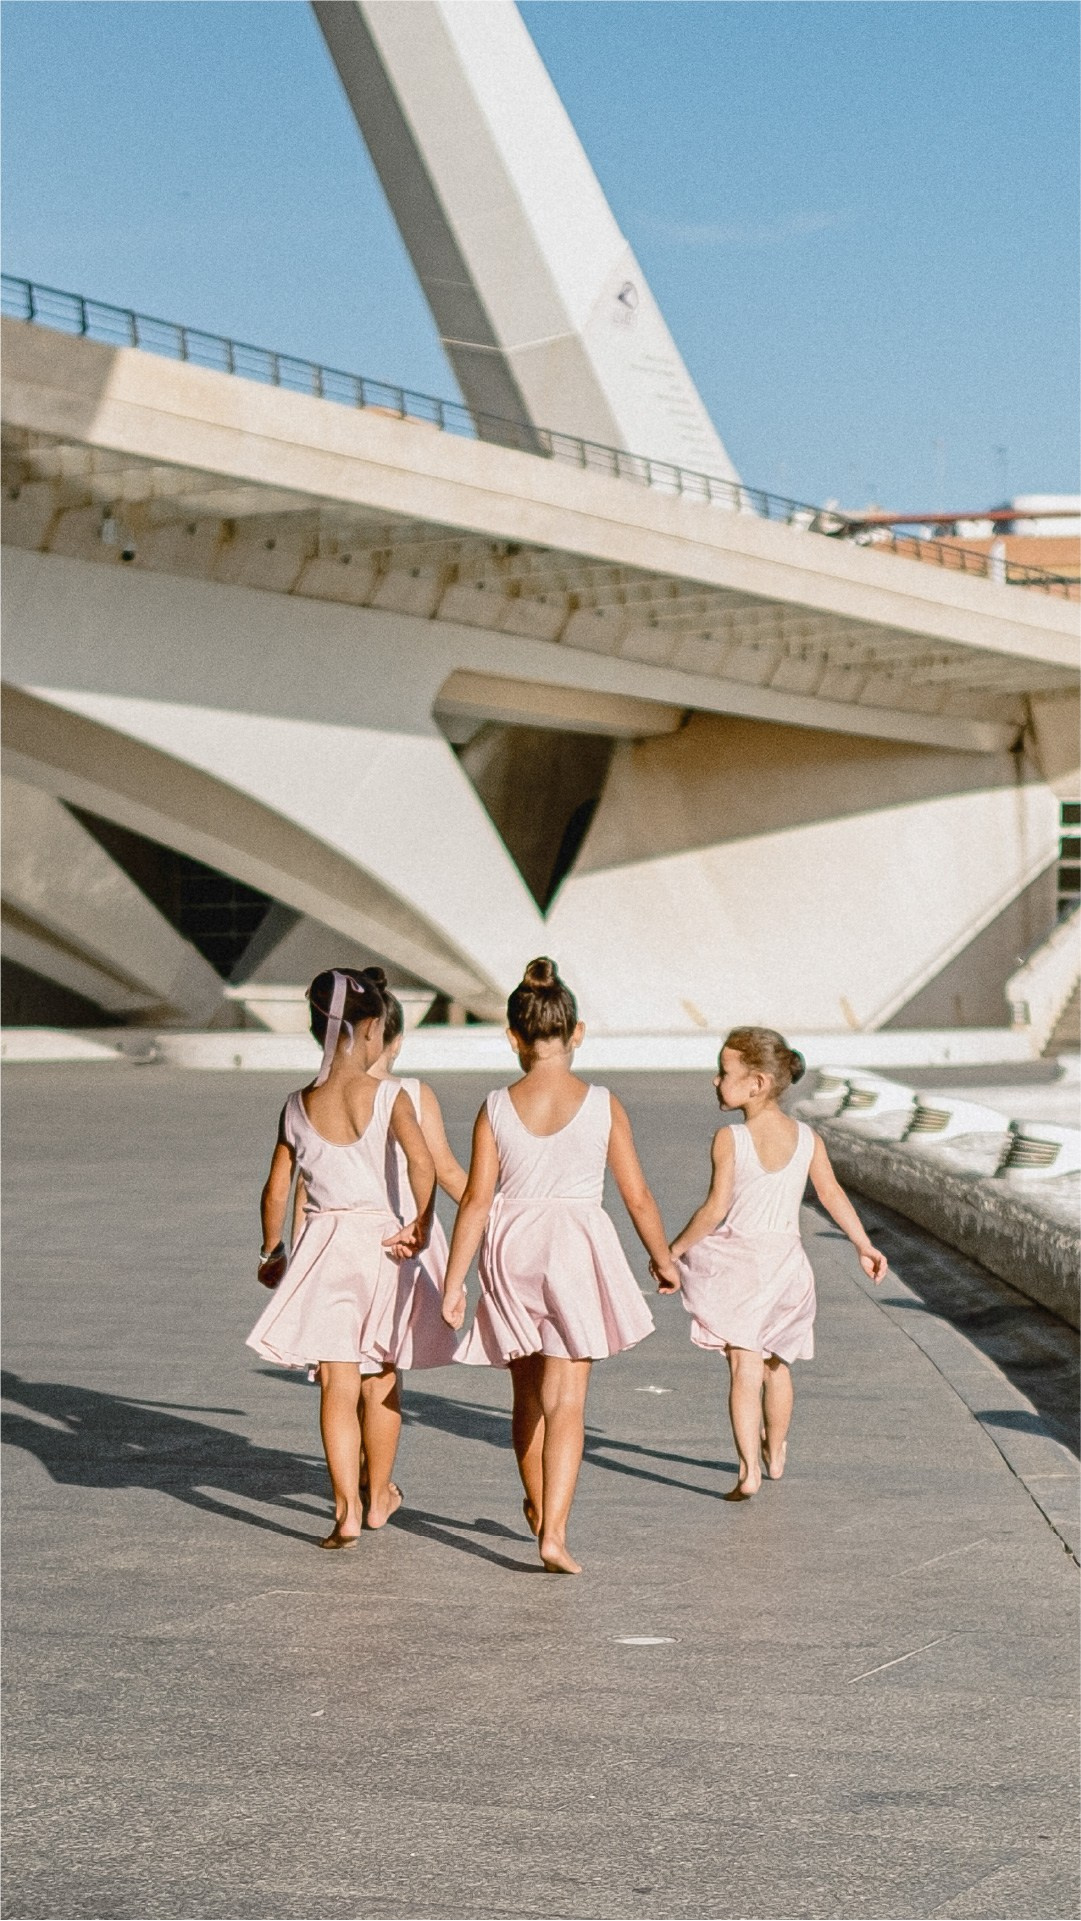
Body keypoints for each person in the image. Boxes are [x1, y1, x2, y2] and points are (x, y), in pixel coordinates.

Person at [442, 957, 679, 1574]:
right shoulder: (601, 1104)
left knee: (526, 1396)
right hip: (575, 1246)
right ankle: (554, 1531)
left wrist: (453, 1282)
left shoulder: (495, 1106)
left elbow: (474, 1199)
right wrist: (662, 1257)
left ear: (514, 1038)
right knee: (567, 1400)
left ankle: (536, 1502)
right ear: (576, 1033)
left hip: (512, 1245)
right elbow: (637, 1195)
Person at [657, 1027, 887, 1501]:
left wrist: (671, 1251)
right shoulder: (806, 1138)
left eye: (724, 1073)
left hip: (742, 1265)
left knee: (744, 1367)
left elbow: (714, 1209)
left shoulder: (731, 1139)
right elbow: (830, 1193)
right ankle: (776, 1452)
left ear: (756, 1082)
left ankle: (748, 1470)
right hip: (788, 1266)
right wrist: (864, 1245)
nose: (716, 1081)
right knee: (777, 1364)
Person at [248, 969, 435, 1548]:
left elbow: (277, 1189)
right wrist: (420, 1225)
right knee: (382, 1378)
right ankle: (381, 1494)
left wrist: (272, 1248)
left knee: (336, 1384)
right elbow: (421, 1163)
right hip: (383, 1249)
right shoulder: (390, 1096)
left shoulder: (297, 1105)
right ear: (374, 1029)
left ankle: (346, 1509)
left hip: (325, 1248)